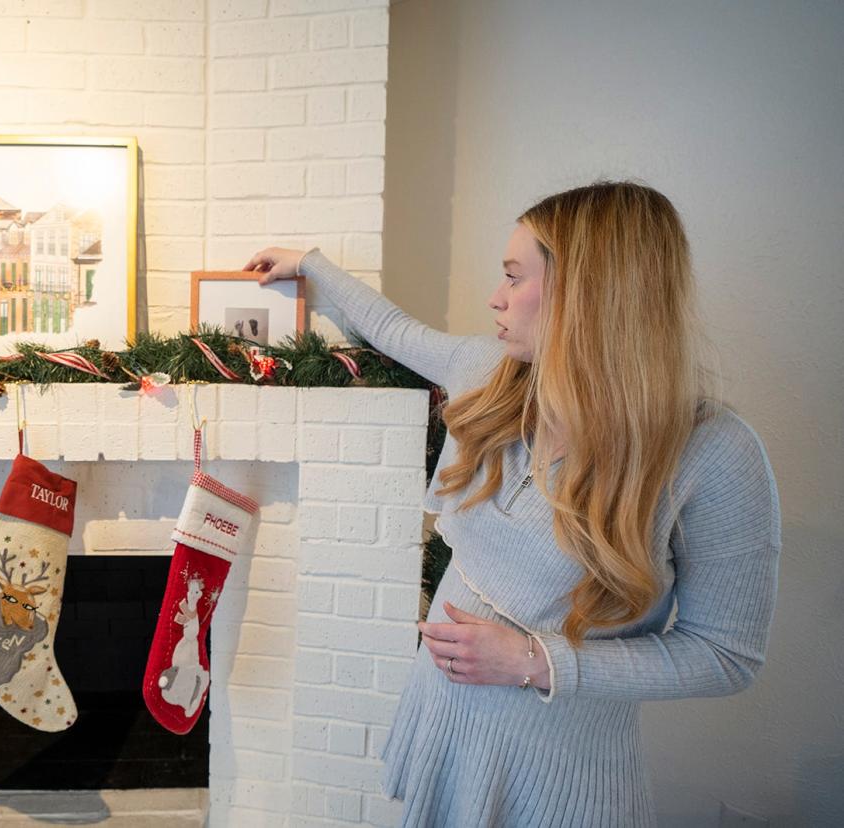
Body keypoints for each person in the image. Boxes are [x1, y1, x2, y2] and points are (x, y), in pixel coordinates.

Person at [244, 181, 781, 827]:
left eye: (513, 276)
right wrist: (309, 263)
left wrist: (535, 661)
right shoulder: (490, 374)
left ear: (589, 294)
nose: (495, 298)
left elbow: (727, 656)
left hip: (557, 764)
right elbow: (391, 329)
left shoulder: (712, 453)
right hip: (445, 714)